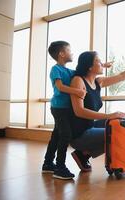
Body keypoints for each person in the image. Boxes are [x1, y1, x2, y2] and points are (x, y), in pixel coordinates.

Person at [69, 51, 125, 171]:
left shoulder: (98, 82)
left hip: (90, 126)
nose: (102, 63)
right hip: (79, 134)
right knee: (116, 133)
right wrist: (109, 115)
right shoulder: (78, 81)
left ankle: (83, 154)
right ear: (89, 66)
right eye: (98, 61)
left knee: (119, 121)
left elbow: (121, 76)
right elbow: (79, 111)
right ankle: (87, 153)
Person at [42, 41, 86, 180]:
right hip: (58, 108)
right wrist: (78, 91)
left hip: (66, 109)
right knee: (65, 135)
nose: (72, 52)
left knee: (56, 136)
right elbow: (60, 87)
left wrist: (102, 65)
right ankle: (60, 167)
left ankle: (48, 164)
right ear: (61, 54)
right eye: (69, 50)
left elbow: (83, 72)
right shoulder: (56, 69)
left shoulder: (69, 71)